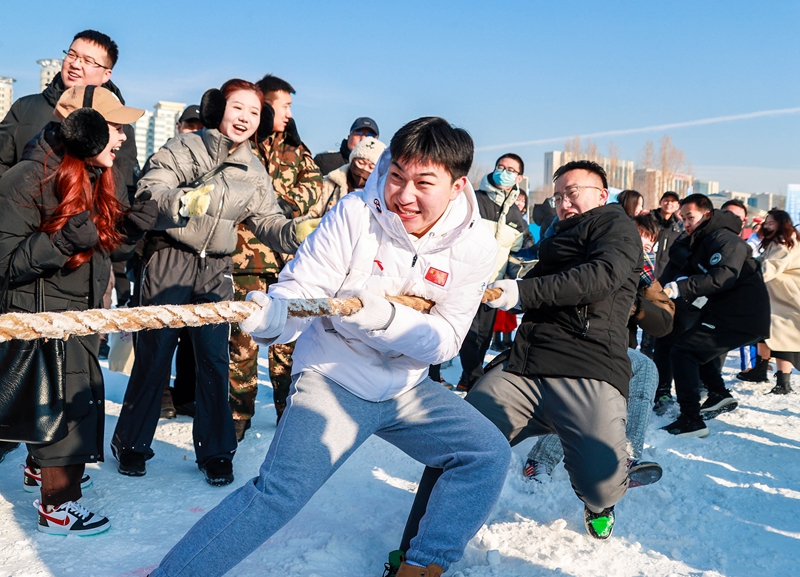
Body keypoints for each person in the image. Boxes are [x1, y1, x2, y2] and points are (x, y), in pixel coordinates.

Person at [147, 117, 510, 577]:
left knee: (485, 454)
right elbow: (304, 287)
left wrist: (380, 315)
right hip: (334, 374)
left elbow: (445, 340)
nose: (403, 195)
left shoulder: (475, 244)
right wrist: (275, 316)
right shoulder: (357, 212)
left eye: (423, 183)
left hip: (408, 388)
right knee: (278, 494)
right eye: (396, 175)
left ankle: (421, 566)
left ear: (457, 187)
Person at [399, 159, 643, 548]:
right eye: (558, 195)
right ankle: (416, 551)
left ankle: (602, 501)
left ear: (602, 194)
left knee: (600, 486)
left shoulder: (615, 226)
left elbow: (601, 276)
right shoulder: (553, 238)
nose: (564, 202)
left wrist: (522, 292)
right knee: (459, 449)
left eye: (573, 192)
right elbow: (529, 284)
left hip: (587, 371)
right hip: (524, 370)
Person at [111, 79, 301, 486]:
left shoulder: (253, 170)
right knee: (155, 353)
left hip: (216, 268)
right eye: (238, 108)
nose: (244, 118)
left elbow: (268, 220)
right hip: (171, 258)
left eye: (253, 112)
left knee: (215, 360)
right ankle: (131, 443)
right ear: (220, 109)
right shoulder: (187, 147)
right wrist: (178, 201)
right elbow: (152, 185)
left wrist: (297, 232)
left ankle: (216, 451)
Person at [0, 86, 151, 534]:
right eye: (116, 128)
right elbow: (6, 264)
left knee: (59, 405)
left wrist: (125, 230)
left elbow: (95, 248)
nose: (123, 138)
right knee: (57, 406)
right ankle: (59, 506)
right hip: (39, 318)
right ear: (84, 130)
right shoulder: (26, 178)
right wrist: (60, 243)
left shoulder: (90, 173)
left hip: (77, 315)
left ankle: (38, 466)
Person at [524, 212, 671, 486]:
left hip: (613, 350)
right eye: (640, 239)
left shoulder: (645, 275)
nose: (644, 247)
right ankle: (540, 459)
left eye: (650, 243)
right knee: (588, 388)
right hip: (571, 343)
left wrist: (636, 307)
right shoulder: (589, 255)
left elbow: (665, 321)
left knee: (642, 370)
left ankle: (627, 456)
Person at [228, 74, 322, 439]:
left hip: (286, 263)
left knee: (288, 343)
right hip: (243, 259)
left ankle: (289, 411)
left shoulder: (296, 148)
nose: (289, 113)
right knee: (242, 344)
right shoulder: (240, 142)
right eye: (284, 105)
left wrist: (276, 204)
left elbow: (313, 186)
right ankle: (237, 415)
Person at [660, 193, 770, 437]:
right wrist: (656, 291)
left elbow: (724, 276)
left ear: (707, 214)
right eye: (683, 219)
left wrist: (681, 287)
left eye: (690, 217)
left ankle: (691, 420)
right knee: (691, 347)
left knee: (684, 352)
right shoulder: (700, 241)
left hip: (741, 315)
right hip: (726, 314)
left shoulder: (725, 239)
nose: (686, 223)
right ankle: (719, 393)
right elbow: (680, 273)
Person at [457, 153, 531, 391]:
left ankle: (469, 379)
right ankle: (474, 377)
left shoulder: (515, 214)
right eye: (501, 166)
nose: (505, 171)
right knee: (468, 332)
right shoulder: (474, 200)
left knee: (484, 336)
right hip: (466, 280)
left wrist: (517, 274)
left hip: (494, 284)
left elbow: (519, 250)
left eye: (511, 169)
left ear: (518, 177)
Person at [741, 210, 799, 394]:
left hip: (785, 298)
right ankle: (760, 369)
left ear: (783, 223)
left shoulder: (785, 241)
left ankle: (784, 381)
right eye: (767, 222)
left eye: (771, 222)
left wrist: (750, 277)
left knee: (782, 339)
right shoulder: (778, 240)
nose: (767, 225)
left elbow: (772, 266)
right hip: (774, 296)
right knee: (764, 333)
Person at [306, 136, 386, 219]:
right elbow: (311, 213)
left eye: (371, 167)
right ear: (352, 161)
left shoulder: (382, 194)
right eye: (360, 163)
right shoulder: (330, 183)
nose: (364, 169)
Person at [313, 116, 379, 176]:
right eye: (359, 133)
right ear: (349, 137)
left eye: (370, 135)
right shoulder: (324, 161)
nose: (363, 138)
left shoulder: (382, 170)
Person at [651, 191, 682, 280]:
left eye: (672, 201)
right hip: (646, 271)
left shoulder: (676, 229)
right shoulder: (648, 220)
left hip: (664, 277)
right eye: (666, 200)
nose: (669, 203)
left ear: (677, 206)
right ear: (660, 202)